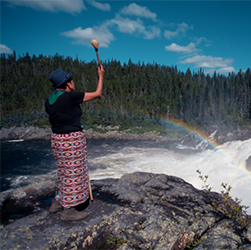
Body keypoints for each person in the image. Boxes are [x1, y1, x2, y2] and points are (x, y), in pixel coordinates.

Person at [45, 65, 105, 220]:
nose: (73, 82)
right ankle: (68, 210)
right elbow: (98, 94)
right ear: (67, 83)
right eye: (71, 79)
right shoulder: (70, 96)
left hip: (57, 140)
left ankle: (57, 201)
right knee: (73, 172)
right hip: (71, 140)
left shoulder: (49, 100)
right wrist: (101, 75)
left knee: (64, 171)